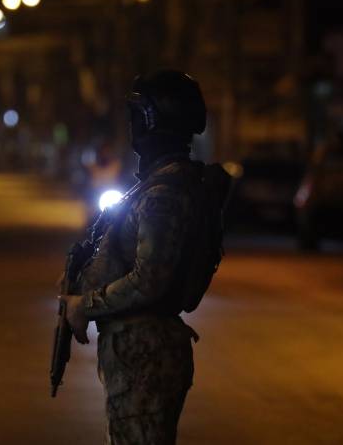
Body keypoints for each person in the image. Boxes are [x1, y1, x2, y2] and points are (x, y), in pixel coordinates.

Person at [61, 70, 227, 444]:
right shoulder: (162, 183)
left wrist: (85, 305)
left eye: (137, 118)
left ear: (154, 122)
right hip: (140, 351)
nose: (132, 129)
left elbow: (150, 279)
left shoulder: (163, 195)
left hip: (144, 354)